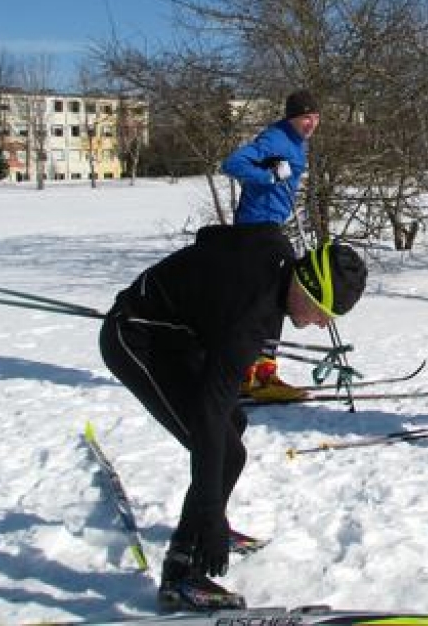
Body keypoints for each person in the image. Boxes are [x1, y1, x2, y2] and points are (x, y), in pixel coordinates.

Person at [99, 227, 367, 611]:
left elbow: (210, 236)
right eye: (325, 313)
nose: (324, 324)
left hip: (179, 333)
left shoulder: (276, 247)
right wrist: (211, 514)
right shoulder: (248, 320)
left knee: (233, 428)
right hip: (135, 337)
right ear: (308, 289)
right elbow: (209, 415)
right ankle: (181, 572)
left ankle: (201, 529)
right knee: (226, 451)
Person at [220, 89, 321, 400]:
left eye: (315, 117)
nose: (311, 123)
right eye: (306, 117)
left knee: (267, 297)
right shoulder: (276, 139)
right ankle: (261, 375)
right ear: (292, 117)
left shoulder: (295, 141)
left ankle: (253, 372)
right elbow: (232, 164)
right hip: (256, 229)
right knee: (277, 296)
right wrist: (270, 177)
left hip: (267, 225)